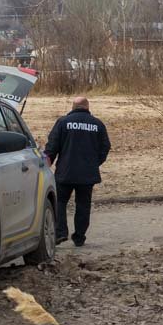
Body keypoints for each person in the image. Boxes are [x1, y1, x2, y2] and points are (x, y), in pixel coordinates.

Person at [43, 96, 111, 246]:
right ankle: (79, 237)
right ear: (88, 107)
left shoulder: (62, 123)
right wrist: (95, 163)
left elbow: (52, 146)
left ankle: (60, 233)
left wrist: (48, 162)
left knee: (60, 202)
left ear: (73, 107)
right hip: (87, 173)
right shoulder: (98, 124)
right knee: (83, 204)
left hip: (65, 172)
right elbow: (105, 147)